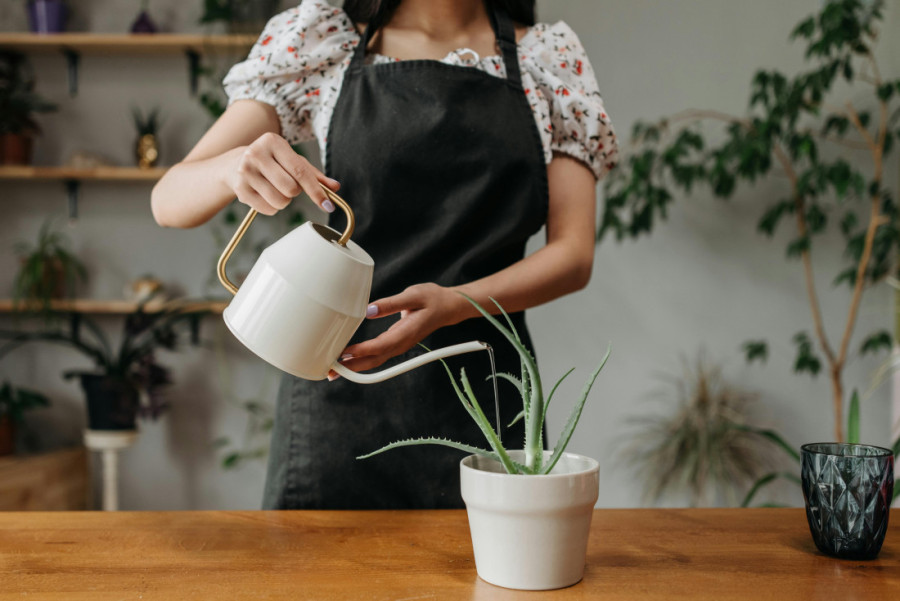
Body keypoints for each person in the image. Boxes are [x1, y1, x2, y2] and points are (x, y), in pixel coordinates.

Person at [151, 0, 618, 509]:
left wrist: (458, 302)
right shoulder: (323, 41)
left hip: (485, 401)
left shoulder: (547, 60)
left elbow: (573, 255)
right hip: (337, 393)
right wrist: (234, 166)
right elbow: (169, 200)